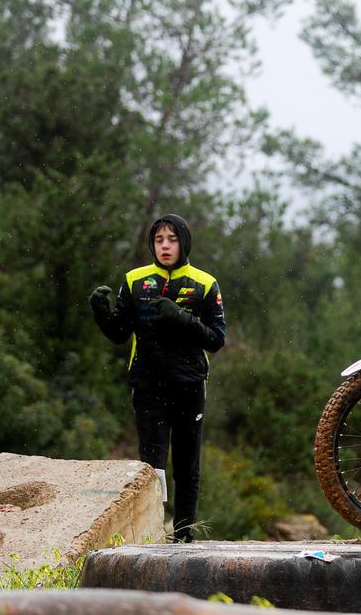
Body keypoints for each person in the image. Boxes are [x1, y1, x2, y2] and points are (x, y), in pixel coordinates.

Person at [89, 214, 226, 543]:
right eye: (159, 240)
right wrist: (101, 314)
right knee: (151, 465)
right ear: (152, 244)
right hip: (148, 386)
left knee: (186, 465)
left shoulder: (204, 284)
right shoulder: (135, 280)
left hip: (190, 385)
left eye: (172, 239)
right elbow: (119, 334)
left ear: (184, 243)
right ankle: (151, 534)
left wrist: (180, 318)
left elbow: (216, 339)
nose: (165, 246)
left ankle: (183, 536)